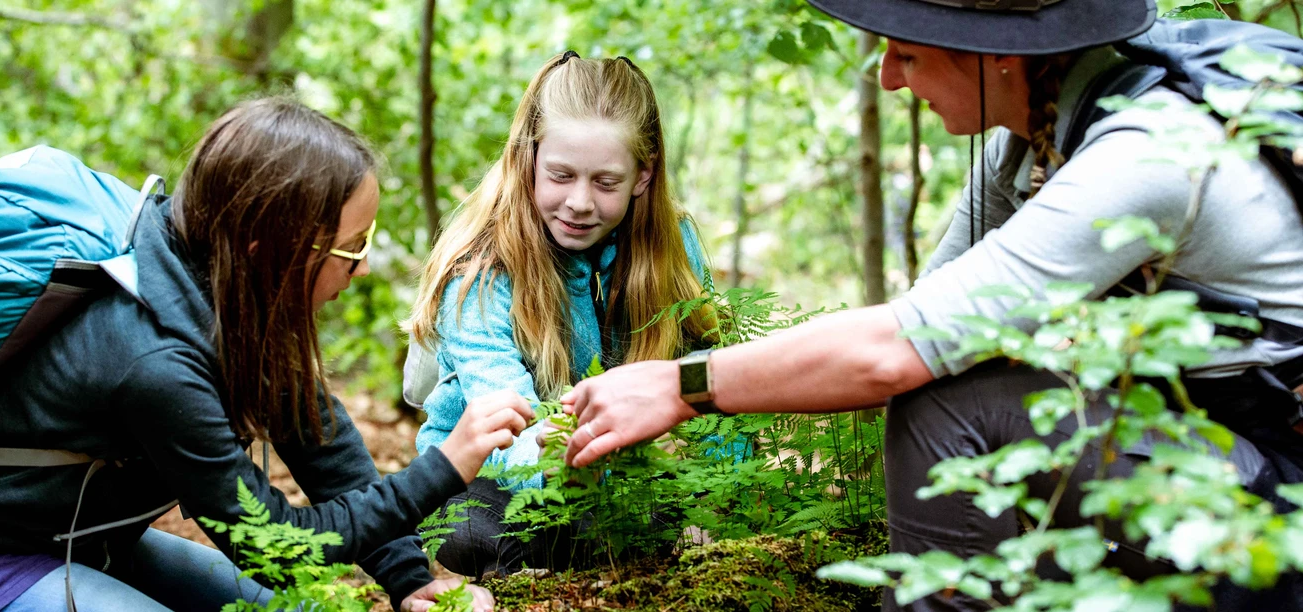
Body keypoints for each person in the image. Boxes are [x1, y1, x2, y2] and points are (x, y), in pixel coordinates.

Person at [556, 1, 1303, 610]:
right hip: (1214, 455)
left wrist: (683, 384)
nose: (886, 78)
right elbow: (925, 323)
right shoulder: (1033, 139)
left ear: (995, 55)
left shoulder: (1144, 152)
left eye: (906, 54)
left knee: (953, 409)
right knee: (951, 387)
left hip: (1277, 507)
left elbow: (893, 353)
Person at [0, 97, 524, 612]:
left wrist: (407, 576)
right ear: (267, 250)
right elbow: (272, 546)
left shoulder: (231, 289)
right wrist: (445, 466)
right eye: (351, 248)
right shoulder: (154, 360)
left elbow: (320, 444)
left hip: (89, 542)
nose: (358, 270)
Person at [404, 51, 715, 577]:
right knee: (478, 528)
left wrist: (711, 491)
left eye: (606, 182)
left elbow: (709, 374)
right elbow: (503, 429)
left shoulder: (674, 247)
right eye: (561, 174)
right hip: (500, 478)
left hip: (635, 473)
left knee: (667, 517)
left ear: (643, 174)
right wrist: (590, 460)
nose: (579, 202)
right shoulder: (480, 268)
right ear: (529, 158)